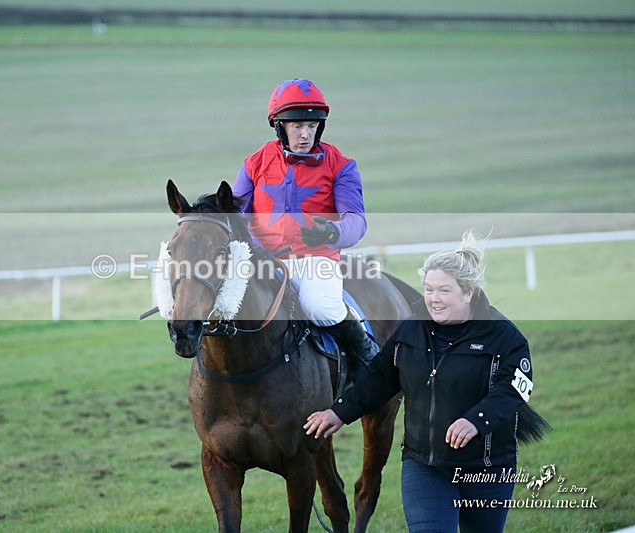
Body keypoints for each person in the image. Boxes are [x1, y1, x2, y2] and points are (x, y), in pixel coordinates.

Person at [304, 232, 545, 533]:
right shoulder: (412, 329)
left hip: (487, 469)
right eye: (428, 289)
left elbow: (513, 392)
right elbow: (379, 378)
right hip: (424, 466)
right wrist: (338, 412)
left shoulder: (504, 337)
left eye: (444, 290)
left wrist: (474, 421)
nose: (433, 299)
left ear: (468, 292)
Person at [232, 77, 377, 372]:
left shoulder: (341, 165)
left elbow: (356, 221)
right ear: (280, 127)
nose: (305, 134)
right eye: (297, 126)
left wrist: (333, 231)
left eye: (311, 126)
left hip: (316, 260)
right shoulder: (254, 164)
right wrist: (254, 249)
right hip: (264, 261)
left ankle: (370, 360)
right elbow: (235, 215)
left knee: (319, 308)